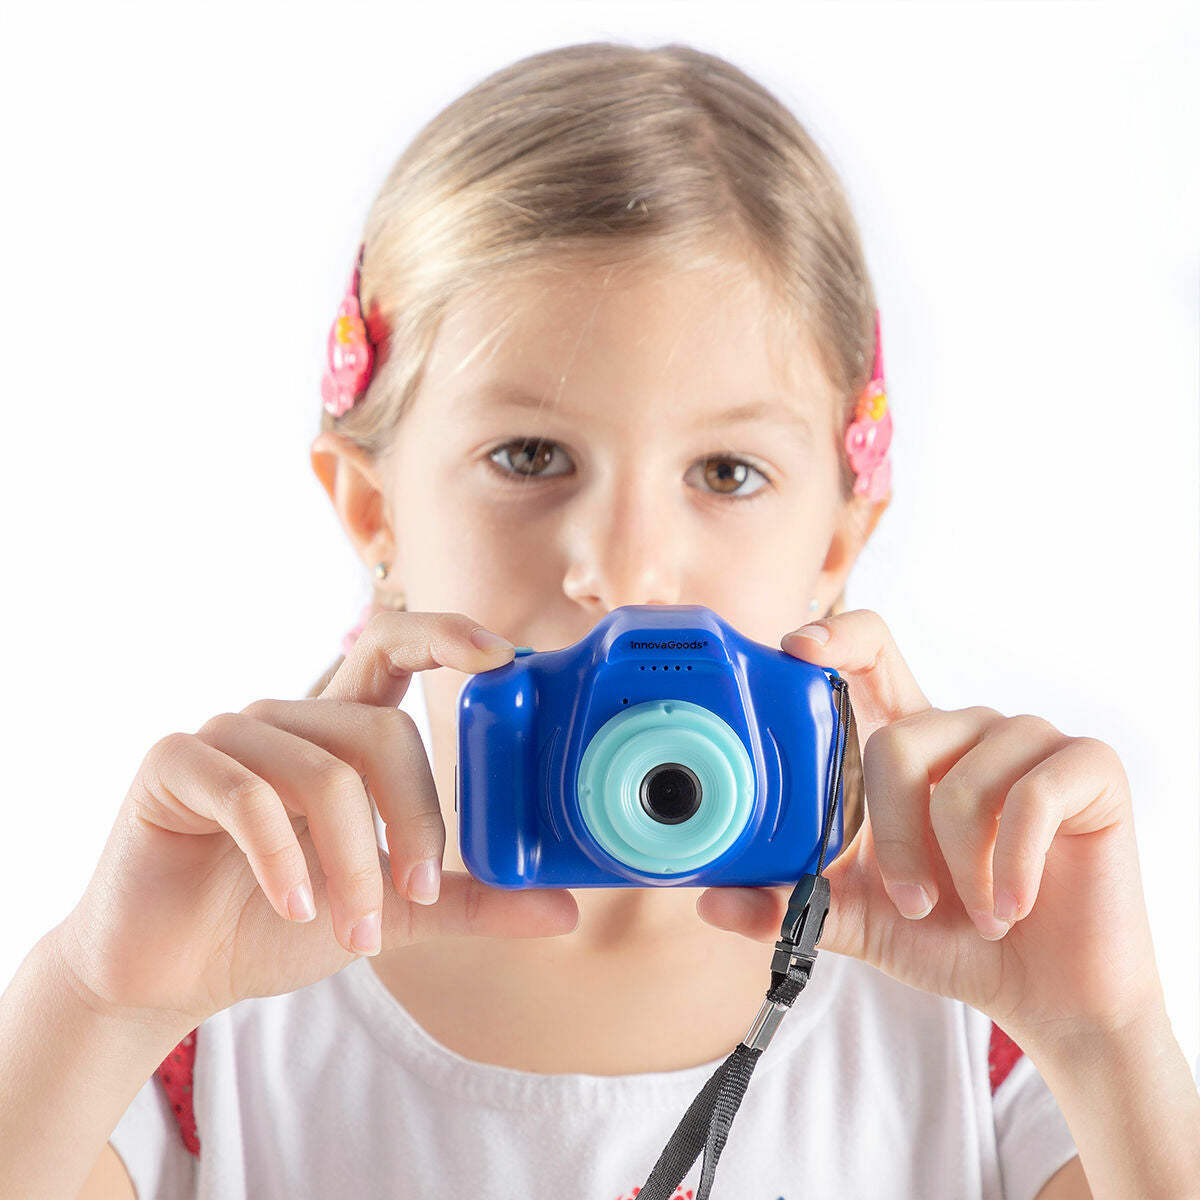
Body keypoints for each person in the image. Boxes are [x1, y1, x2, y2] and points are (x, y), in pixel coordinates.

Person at [2, 40, 1197, 1200]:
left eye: (727, 473)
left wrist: (1110, 1041)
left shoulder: (988, 1036)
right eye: (530, 455)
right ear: (376, 512)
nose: (628, 571)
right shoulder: (203, 1023)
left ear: (837, 542)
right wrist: (94, 1002)